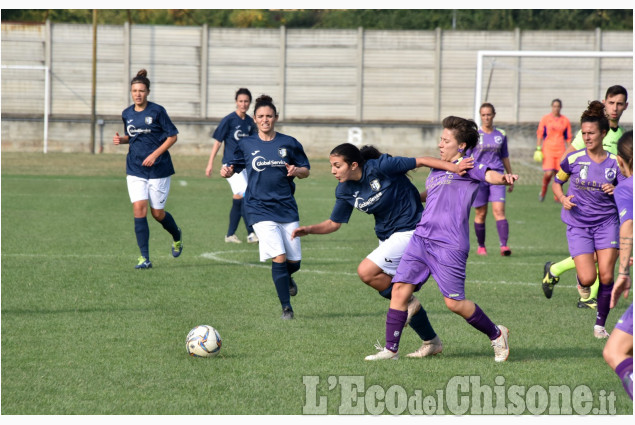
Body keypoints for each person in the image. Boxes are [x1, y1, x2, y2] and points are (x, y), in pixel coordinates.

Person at [292, 143, 473, 355]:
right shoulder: (344, 189)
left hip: (412, 230)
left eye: (337, 165)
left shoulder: (381, 166)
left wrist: (454, 168)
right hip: (387, 238)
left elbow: (422, 161)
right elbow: (334, 223)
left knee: (366, 271)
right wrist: (309, 229)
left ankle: (397, 336)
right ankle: (431, 341)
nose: (332, 170)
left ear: (353, 165)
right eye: (332, 165)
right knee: (398, 293)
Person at [364, 116, 518, 362]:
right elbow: (432, 193)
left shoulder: (468, 165)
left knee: (454, 304)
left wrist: (504, 178)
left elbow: (489, 175)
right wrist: (405, 199)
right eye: (441, 139)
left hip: (449, 244)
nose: (440, 144)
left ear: (462, 146)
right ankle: (390, 350)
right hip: (422, 237)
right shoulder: (439, 167)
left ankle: (497, 334)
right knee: (400, 290)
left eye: (446, 140)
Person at [220, 95, 310, 320]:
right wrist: (228, 171)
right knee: (278, 256)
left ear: (276, 118)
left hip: (287, 207)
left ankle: (287, 278)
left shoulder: (289, 143)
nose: (265, 119)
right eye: (260, 116)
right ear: (254, 119)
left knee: (294, 262)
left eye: (269, 116)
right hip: (258, 208)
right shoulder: (247, 144)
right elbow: (234, 166)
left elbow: (306, 169)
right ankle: (286, 308)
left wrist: (296, 171)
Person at [542, 85, 629, 308]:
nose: (615, 108)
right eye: (611, 103)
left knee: (609, 259)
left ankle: (590, 298)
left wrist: (618, 188)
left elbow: (626, 174)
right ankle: (558, 271)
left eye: (619, 104)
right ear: (605, 102)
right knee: (591, 267)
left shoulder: (621, 137)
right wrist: (564, 194)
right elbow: (568, 163)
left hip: (609, 213)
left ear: (625, 107)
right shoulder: (588, 133)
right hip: (582, 211)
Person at [113, 69, 183, 269]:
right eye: (134, 91)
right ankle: (144, 258)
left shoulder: (157, 111)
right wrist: (122, 140)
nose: (138, 94)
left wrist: (154, 155)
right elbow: (134, 135)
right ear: (131, 92)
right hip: (135, 169)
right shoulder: (127, 113)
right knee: (139, 209)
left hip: (158, 169)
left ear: (148, 92)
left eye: (141, 91)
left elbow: (172, 136)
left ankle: (176, 235)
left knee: (157, 214)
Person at [205, 88, 258, 244]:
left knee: (239, 197)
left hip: (245, 166)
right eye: (241, 101)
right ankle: (251, 233)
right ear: (236, 102)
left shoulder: (250, 122)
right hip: (230, 166)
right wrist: (210, 163)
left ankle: (230, 235)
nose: (243, 104)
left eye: (246, 101)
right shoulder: (229, 120)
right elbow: (217, 142)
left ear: (250, 103)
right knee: (245, 194)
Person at [603, 130, 633, 400]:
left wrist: (623, 271)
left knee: (614, 351)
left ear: (622, 162)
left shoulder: (626, 187)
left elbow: (628, 225)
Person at [468, 103, 513, 256]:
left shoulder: (501, 134)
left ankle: (504, 246)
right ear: (480, 116)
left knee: (499, 211)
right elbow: (467, 156)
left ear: (494, 115)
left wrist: (510, 175)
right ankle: (481, 246)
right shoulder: (474, 135)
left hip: (498, 176)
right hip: (479, 178)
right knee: (480, 213)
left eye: (489, 114)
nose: (486, 117)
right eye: (483, 115)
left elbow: (505, 156)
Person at [535, 99, 572, 202]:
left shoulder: (565, 120)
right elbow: (540, 134)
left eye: (558, 106)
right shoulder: (545, 119)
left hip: (560, 149)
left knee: (559, 174)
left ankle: (557, 196)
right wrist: (538, 148)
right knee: (548, 173)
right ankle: (543, 191)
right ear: (552, 107)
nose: (556, 108)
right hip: (548, 149)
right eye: (554, 106)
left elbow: (568, 137)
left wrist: (571, 151)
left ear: (560, 107)